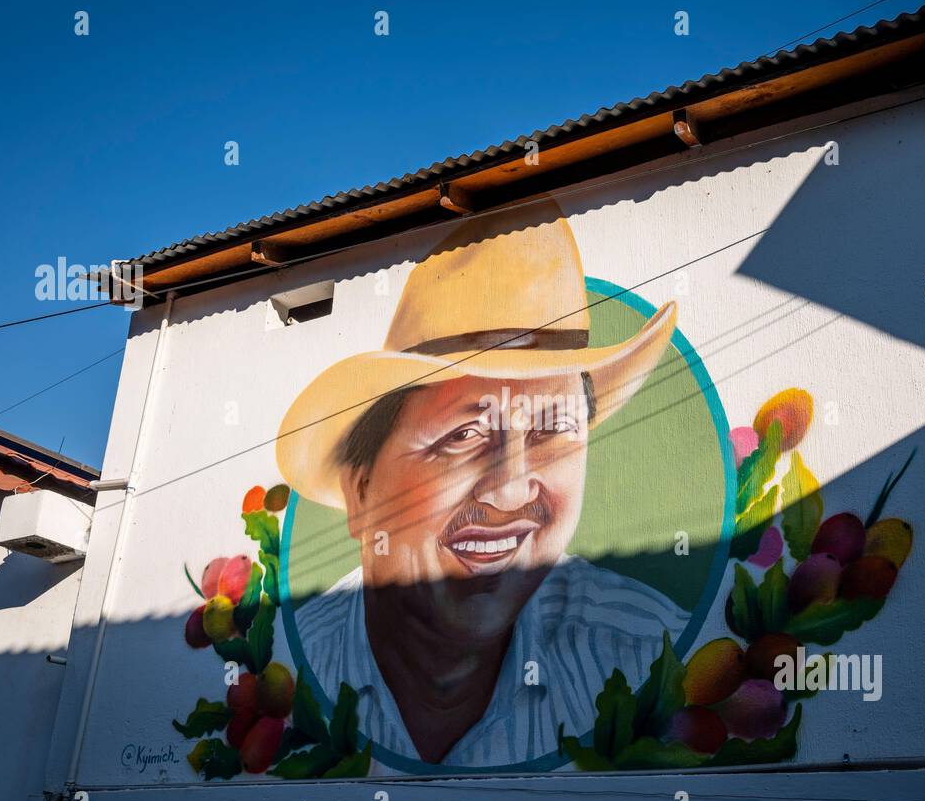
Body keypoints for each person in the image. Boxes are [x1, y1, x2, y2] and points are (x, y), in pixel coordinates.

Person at [276, 202, 688, 768]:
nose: (513, 490)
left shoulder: (650, 657)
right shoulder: (288, 670)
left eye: (551, 429)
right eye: (464, 434)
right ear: (362, 490)